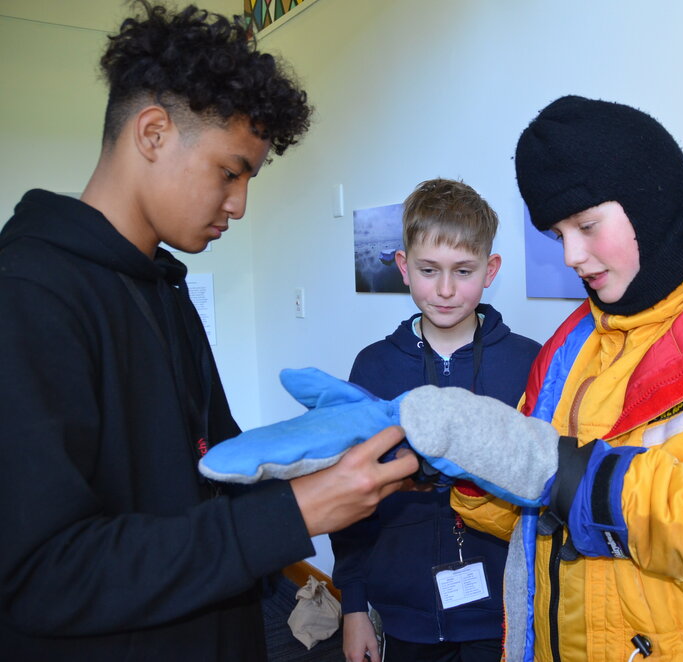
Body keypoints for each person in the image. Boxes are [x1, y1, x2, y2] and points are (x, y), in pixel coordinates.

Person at [0, 3, 417, 660]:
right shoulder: (26, 294)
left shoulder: (163, 287)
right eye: (230, 172)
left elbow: (207, 479)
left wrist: (333, 462)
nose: (240, 206)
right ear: (154, 133)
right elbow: (42, 574)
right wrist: (295, 514)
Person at [399, 96, 683, 661]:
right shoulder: (576, 344)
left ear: (651, 202)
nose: (572, 255)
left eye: (586, 225)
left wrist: (585, 481)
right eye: (557, 234)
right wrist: (467, 463)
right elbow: (536, 521)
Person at [332, 178, 542, 662]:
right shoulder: (373, 367)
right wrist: (354, 606)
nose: (445, 290)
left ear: (490, 270)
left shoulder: (530, 363)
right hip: (405, 609)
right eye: (429, 270)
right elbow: (351, 495)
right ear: (404, 268)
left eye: (463, 271)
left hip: (504, 609)